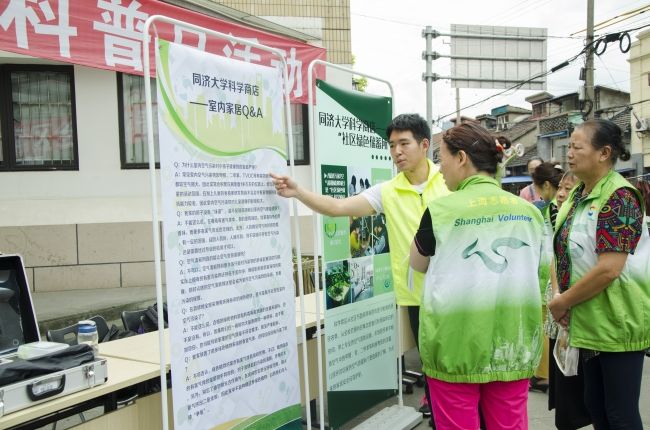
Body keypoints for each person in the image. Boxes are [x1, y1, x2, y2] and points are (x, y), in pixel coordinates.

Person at [271, 113, 449, 425]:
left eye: (404, 143)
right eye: (392, 145)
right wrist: (298, 192)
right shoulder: (388, 191)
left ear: (424, 144)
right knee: (432, 367)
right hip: (416, 298)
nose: (396, 151)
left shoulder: (449, 182)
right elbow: (337, 207)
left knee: (460, 369)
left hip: (456, 294)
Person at [410, 122, 545, 430]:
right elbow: (541, 272)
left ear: (460, 158)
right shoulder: (529, 212)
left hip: (455, 344)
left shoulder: (441, 210)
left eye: (441, 158)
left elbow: (417, 263)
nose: (439, 169)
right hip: (514, 341)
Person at [548, 119, 650, 430]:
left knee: (619, 414)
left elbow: (609, 268)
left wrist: (563, 301)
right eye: (569, 147)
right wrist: (558, 298)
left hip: (617, 322)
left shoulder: (620, 197)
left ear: (604, 153)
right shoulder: (578, 194)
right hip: (586, 321)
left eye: (577, 147)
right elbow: (558, 248)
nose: (569, 154)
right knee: (595, 407)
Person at [529, 162, 565, 393]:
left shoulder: (546, 209)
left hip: (546, 273)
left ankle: (543, 375)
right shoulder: (560, 207)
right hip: (555, 272)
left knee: (545, 326)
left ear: (545, 186)